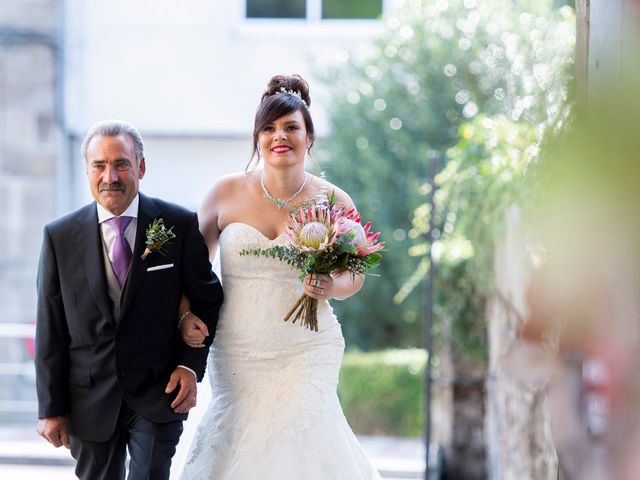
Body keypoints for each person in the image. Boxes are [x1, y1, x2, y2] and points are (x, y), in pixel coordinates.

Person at [178, 74, 382, 479]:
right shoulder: (224, 193)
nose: (279, 136)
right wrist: (185, 316)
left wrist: (330, 286)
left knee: (300, 445)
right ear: (257, 138)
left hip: (306, 349)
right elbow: (190, 270)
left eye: (291, 127)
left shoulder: (333, 199)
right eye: (268, 129)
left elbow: (353, 276)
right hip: (239, 350)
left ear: (309, 137)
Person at [35, 119, 224, 480]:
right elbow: (51, 327)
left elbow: (208, 298)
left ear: (141, 166)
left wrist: (189, 365)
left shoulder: (177, 224)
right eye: (99, 165)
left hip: (159, 390)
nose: (111, 176)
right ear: (87, 170)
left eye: (121, 163)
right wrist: (50, 407)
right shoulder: (59, 236)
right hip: (88, 398)